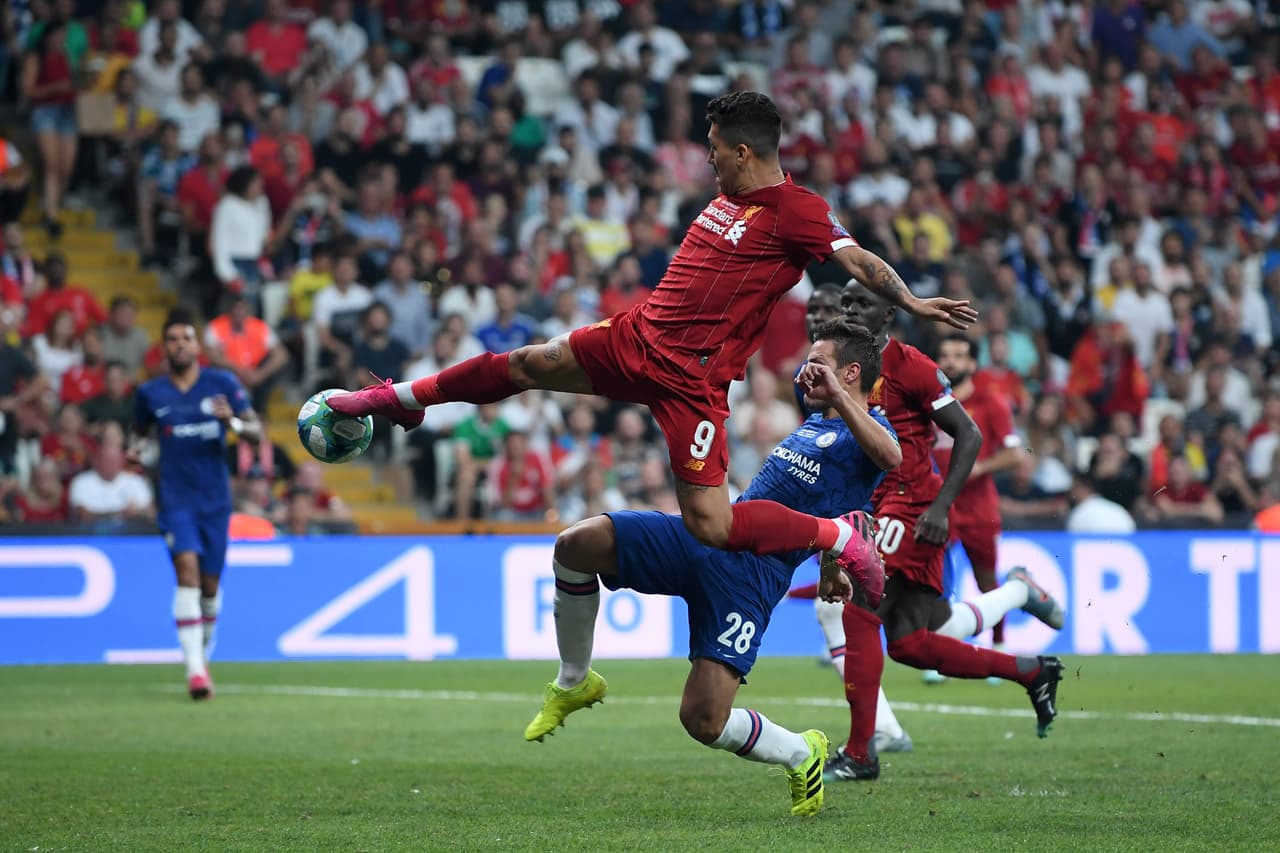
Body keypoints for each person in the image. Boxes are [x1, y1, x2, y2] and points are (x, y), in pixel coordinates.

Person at [331, 92, 975, 595]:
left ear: (745, 152)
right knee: (526, 363)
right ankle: (400, 400)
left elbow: (856, 259)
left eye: (716, 148)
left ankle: (838, 537)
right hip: (635, 336)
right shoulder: (730, 196)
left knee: (713, 526)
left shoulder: (796, 210)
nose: (709, 158)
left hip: (689, 378)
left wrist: (913, 302)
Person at [523, 321, 902, 817]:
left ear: (851, 374)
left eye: (821, 365)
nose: (808, 373)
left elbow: (890, 458)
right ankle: (574, 680)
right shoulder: (813, 422)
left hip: (751, 578)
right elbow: (840, 512)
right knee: (577, 544)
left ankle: (799, 751)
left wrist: (833, 561)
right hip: (709, 533)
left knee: (702, 720)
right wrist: (833, 565)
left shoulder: (868, 431)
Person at [820, 280, 1063, 784]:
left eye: (861, 301)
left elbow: (969, 435)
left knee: (860, 609)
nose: (850, 309)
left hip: (911, 506)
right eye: (846, 302)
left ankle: (862, 752)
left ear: (890, 314)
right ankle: (1031, 670)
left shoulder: (911, 366)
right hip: (881, 506)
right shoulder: (840, 368)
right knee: (910, 641)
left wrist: (941, 507)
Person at [131, 309, 261, 701]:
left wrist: (232, 424)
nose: (180, 345)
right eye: (173, 339)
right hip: (175, 498)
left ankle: (201, 648)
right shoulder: (150, 393)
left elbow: (256, 432)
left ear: (197, 345)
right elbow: (139, 435)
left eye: (186, 337)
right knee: (185, 571)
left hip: (215, 499)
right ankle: (195, 672)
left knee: (209, 586)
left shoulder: (222, 384)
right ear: (164, 347)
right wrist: (136, 452)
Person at [932, 334, 1025, 655]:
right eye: (945, 354)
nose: (950, 361)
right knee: (938, 583)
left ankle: (999, 644)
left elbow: (1015, 455)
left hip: (977, 508)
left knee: (986, 581)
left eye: (958, 355)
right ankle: (944, 649)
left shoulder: (990, 404)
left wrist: (978, 468)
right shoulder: (930, 403)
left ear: (972, 364)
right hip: (938, 506)